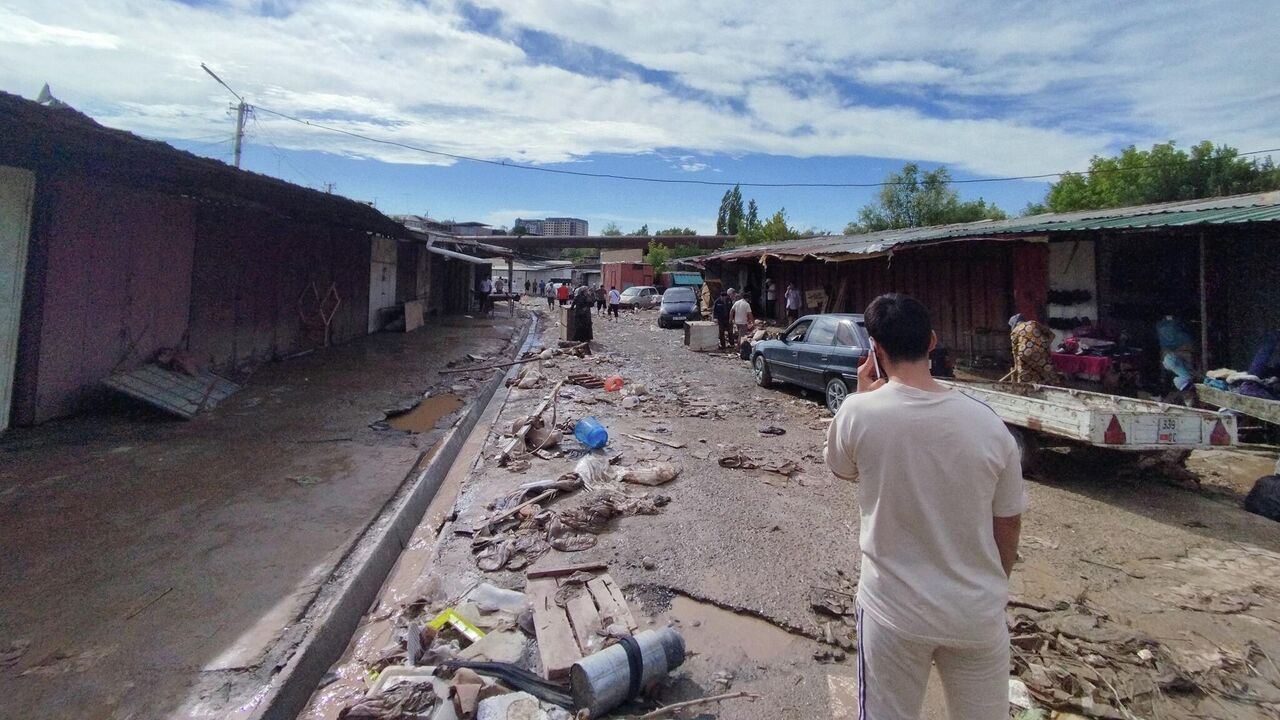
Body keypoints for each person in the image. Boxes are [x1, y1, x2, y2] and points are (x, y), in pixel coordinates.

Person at [825, 293, 1025, 720]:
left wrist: (862, 397)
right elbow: (1007, 525)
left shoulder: (858, 412)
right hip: (975, 615)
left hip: (892, 611)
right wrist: (987, 586)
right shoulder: (988, 423)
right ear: (932, 342)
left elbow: (843, 470)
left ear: (875, 350)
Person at [1010, 312, 1056, 384]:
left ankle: (1025, 387)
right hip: (1041, 351)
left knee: (1025, 373)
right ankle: (1051, 386)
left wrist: (1017, 366)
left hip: (1024, 354)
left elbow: (1014, 351)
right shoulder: (1033, 323)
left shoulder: (1014, 331)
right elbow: (1052, 335)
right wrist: (1045, 346)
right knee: (1045, 370)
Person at [570, 285, 594, 349]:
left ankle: (582, 339)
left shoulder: (579, 297)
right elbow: (591, 304)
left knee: (581, 327)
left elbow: (572, 305)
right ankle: (583, 339)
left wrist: (572, 308)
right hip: (583, 315)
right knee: (582, 327)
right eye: (586, 291)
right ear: (583, 291)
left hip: (581, 314)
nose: (586, 292)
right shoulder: (585, 297)